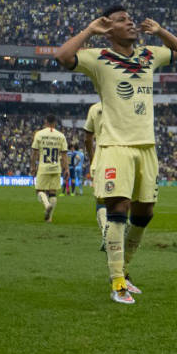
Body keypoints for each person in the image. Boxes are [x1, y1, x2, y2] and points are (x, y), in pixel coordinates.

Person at [55, 5, 177, 305]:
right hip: (115, 146)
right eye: (122, 21)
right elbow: (62, 57)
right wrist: (90, 30)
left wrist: (161, 31)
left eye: (130, 19)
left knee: (145, 213)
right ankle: (116, 283)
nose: (130, 23)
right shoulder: (98, 58)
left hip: (146, 146)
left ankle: (124, 271)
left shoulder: (149, 55)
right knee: (119, 208)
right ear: (109, 29)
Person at [31, 115, 69, 222]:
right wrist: (66, 169)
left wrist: (33, 167)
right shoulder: (61, 136)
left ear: (45, 122)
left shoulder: (39, 134)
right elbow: (65, 155)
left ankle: (47, 205)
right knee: (53, 193)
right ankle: (49, 218)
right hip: (56, 167)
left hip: (44, 167)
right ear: (55, 123)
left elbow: (34, 153)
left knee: (39, 190)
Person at [83, 101, 107, 249]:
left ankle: (106, 233)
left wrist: (92, 157)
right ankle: (122, 234)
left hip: (101, 156)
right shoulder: (124, 103)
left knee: (101, 199)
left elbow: (87, 139)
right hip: (122, 156)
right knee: (121, 198)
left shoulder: (95, 108)